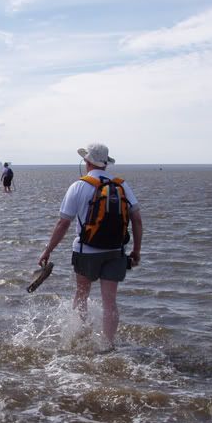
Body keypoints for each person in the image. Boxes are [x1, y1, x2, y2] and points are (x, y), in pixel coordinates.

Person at [38, 143, 143, 349]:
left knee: (82, 294)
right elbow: (137, 219)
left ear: (86, 162)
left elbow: (63, 223)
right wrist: (136, 251)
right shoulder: (121, 185)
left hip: (86, 251)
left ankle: (80, 336)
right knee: (110, 301)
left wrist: (47, 250)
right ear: (105, 163)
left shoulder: (79, 186)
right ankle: (108, 345)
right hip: (115, 251)